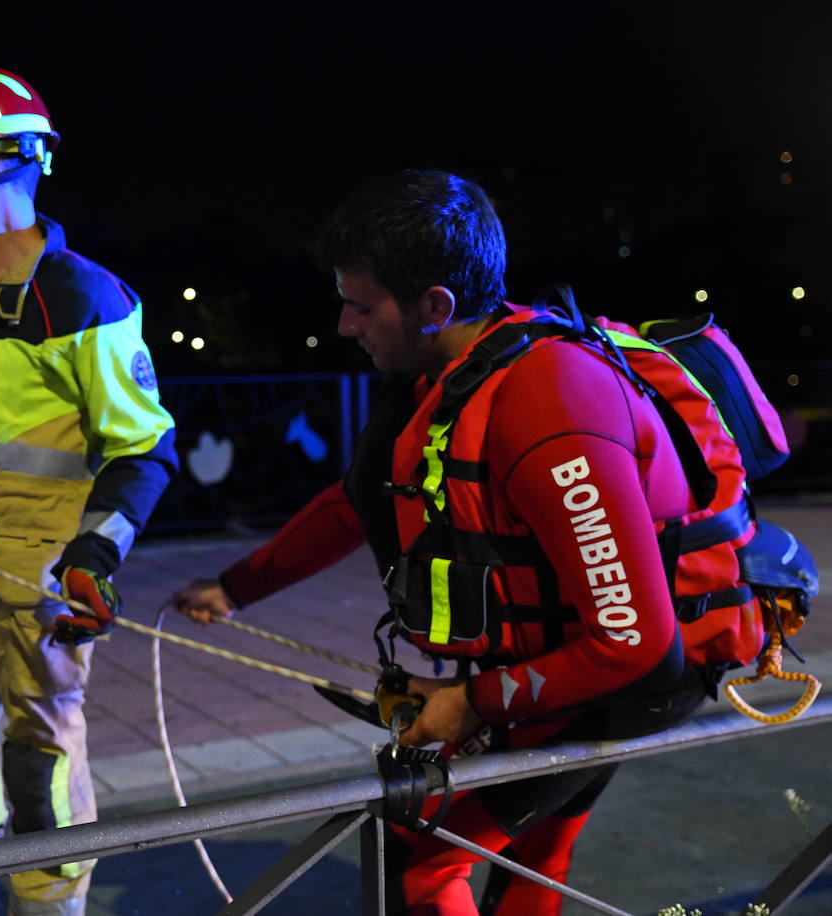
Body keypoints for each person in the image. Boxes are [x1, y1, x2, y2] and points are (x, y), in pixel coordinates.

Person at [174, 170, 712, 915]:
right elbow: (357, 503)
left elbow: (636, 642)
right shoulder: (448, 373)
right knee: (533, 860)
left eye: (360, 306)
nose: (343, 325)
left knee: (426, 865)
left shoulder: (548, 403)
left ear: (435, 306)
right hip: (564, 667)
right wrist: (236, 587)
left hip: (633, 677)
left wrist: (473, 701)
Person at [0, 67, 178, 916]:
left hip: (36, 590)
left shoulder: (85, 299)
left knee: (37, 773)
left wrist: (94, 557)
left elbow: (145, 449)